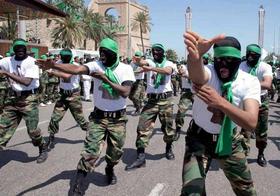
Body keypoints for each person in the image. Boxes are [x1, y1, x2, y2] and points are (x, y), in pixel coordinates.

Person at [37, 38, 135, 195]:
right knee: (90, 151)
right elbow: (76, 70)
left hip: (118, 119)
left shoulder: (126, 69)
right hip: (98, 118)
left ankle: (109, 168)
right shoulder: (96, 65)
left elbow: (125, 92)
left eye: (105, 52)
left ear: (114, 53)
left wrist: (105, 79)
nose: (102, 55)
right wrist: (54, 65)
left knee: (115, 152)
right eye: (100, 51)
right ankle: (78, 186)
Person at [181, 31, 260, 195]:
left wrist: (220, 102)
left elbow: (251, 122)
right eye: (219, 60)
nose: (223, 65)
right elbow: (198, 76)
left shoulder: (250, 82)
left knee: (247, 191)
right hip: (199, 140)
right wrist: (196, 57)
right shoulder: (210, 72)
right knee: (192, 192)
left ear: (239, 61)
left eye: (229, 60)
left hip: (229, 141)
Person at [125, 43, 176, 171]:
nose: (155, 53)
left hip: (166, 100)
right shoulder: (149, 62)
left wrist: (150, 69)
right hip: (152, 101)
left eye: (158, 51)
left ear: (163, 53)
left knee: (168, 129)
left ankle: (168, 148)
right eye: (153, 51)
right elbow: (142, 63)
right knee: (142, 127)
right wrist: (138, 62)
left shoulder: (169, 63)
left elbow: (167, 71)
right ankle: (141, 157)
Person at [0, 38, 48, 163]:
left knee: (32, 131)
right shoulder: (7, 61)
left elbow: (27, 82)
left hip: (29, 99)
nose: (20, 50)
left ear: (26, 49)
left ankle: (42, 147)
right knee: (2, 127)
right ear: (13, 50)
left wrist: (6, 73)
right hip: (13, 99)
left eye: (22, 48)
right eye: (17, 48)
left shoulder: (32, 62)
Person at [46, 49, 88, 149]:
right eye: (63, 58)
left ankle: (93, 135)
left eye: (67, 58)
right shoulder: (59, 63)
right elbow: (51, 74)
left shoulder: (75, 65)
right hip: (63, 94)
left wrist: (52, 71)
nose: (65, 60)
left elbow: (66, 77)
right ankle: (51, 138)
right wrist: (48, 69)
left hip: (74, 95)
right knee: (55, 118)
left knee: (80, 120)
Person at [239, 44, 273, 167]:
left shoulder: (265, 67)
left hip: (261, 101)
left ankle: (261, 153)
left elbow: (267, 84)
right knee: (245, 130)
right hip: (247, 100)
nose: (250, 58)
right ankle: (243, 156)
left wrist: (249, 82)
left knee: (261, 131)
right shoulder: (241, 66)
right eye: (248, 55)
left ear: (258, 56)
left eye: (254, 56)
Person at [174, 63, 193, 141]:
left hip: (196, 92)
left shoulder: (199, 67)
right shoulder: (184, 66)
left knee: (199, 114)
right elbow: (180, 71)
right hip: (186, 93)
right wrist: (180, 71)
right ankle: (178, 128)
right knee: (181, 112)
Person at [129, 51, 146, 115]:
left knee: (135, 96)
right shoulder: (132, 63)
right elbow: (130, 70)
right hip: (133, 80)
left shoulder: (143, 63)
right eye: (136, 56)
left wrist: (135, 72)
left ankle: (138, 109)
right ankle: (139, 104)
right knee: (130, 96)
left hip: (139, 81)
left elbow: (141, 70)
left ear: (141, 57)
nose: (136, 57)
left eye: (138, 56)